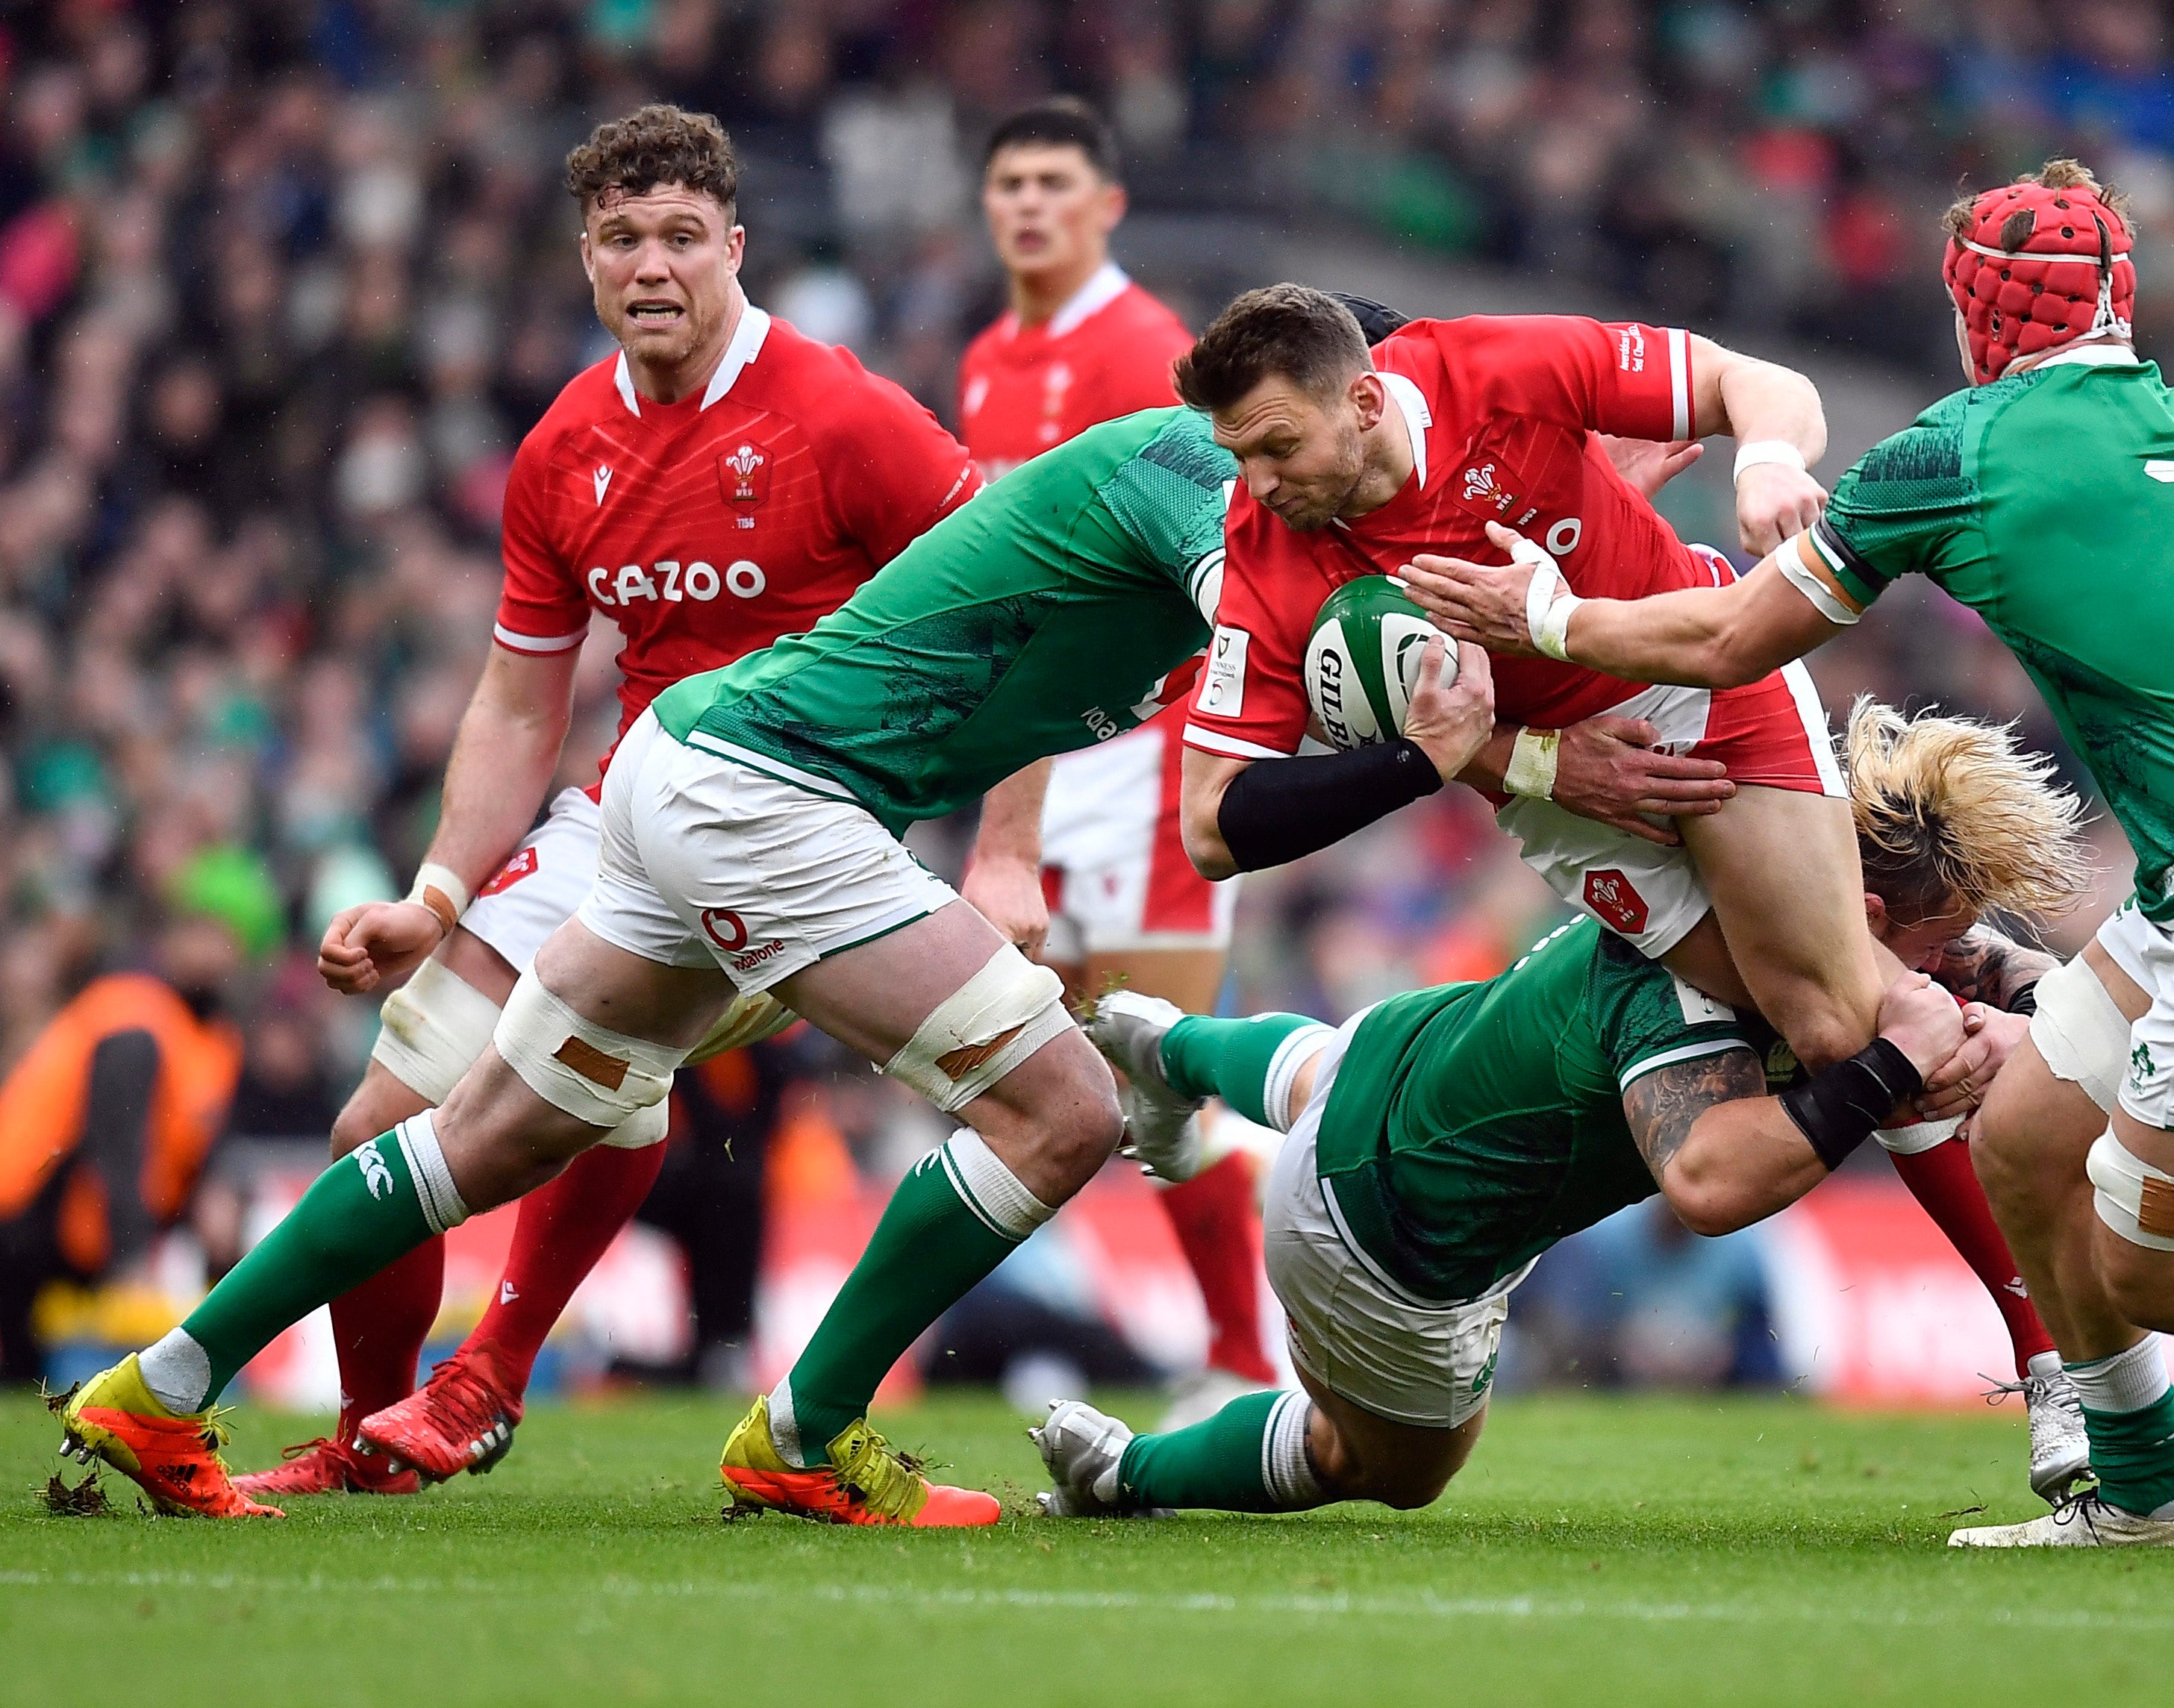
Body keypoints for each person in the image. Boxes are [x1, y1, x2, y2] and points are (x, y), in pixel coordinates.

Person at [43, 395, 1702, 1522]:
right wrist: (1506, 751)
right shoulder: (1183, 476)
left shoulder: (1259, 522)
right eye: (1377, 432)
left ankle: (160, 1381)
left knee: (490, 1132)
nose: (1388, 471)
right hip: (769, 795)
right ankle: (808, 1434)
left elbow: (1371, 621)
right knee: (1060, 1109)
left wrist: (1565, 580)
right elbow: (1304, 671)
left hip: (695, 775)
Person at [1397, 159, 2174, 1547]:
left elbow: (1722, 641)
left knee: (2161, 1273)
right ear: (2120, 296)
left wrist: (1550, 613)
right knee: (2017, 1145)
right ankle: (2145, 1493)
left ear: (1978, 318)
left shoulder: (1961, 451)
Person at [1166, 284, 2070, 1456]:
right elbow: (1211, 826)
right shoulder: (1263, 550)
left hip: (1697, 668)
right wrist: (1497, 761)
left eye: (1278, 446)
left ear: (1369, 398)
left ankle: (2056, 1363)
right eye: (1241, 455)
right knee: (1863, 1033)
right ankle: (2000, 985)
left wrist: (1763, 467)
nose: (1262, 482)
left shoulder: (1497, 364)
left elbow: (1760, 382)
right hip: (1570, 806)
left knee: (1845, 1018)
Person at [231, 105, 983, 1500]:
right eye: (624, 237)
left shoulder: (845, 415)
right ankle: (374, 1436)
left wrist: (1005, 840)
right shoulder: (563, 446)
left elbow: (1011, 598)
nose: (654, 264)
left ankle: (491, 1377)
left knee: (613, 1066)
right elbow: (522, 701)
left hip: (805, 827)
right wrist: (435, 895)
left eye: (683, 237)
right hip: (628, 811)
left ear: (735, 250)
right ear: (586, 258)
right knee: (370, 1133)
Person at [1027, 699, 2091, 1518]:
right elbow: (1710, 1182)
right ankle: (1124, 1470)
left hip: (1398, 1055)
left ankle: (1170, 1045)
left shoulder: (1758, 893)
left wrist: (2026, 1008)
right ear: (1861, 915)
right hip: (1383, 1236)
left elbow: (1960, 981)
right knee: (1390, 1467)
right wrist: (1894, 1068)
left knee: (1327, 1075)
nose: (1947, 966)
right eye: (1935, 942)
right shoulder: (1695, 988)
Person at [955, 98, 1274, 1418]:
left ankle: (1249, 1354)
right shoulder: (985, 355)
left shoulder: (1148, 350)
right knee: (1023, 1055)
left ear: (1106, 206)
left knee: (1153, 1059)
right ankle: (1056, 1327)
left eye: (1052, 182)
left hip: (1147, 749)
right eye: (1008, 181)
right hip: (1036, 744)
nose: (1028, 203)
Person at [0, 916, 243, 1383]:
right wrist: (130, 1259)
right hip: (28, 1217)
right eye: (200, 933)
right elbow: (119, 1149)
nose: (212, 953)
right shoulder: (135, 1016)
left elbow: (198, 1139)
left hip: (72, 1220)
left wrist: (216, 1191)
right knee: (26, 1377)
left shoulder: (211, 1036)